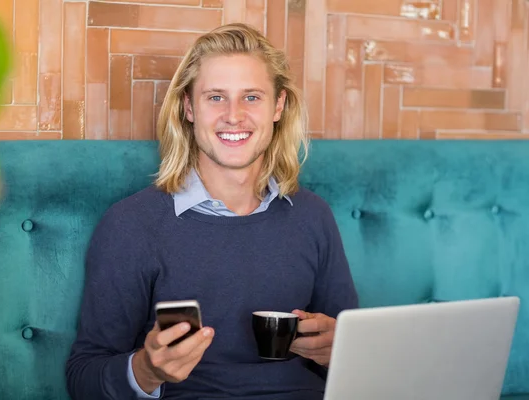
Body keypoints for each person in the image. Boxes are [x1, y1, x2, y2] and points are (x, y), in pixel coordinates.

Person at [65, 22, 358, 400]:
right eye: (215, 97)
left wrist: (339, 351)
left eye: (251, 97)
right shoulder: (131, 225)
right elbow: (83, 377)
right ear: (188, 107)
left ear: (278, 106)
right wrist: (146, 370)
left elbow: (352, 355)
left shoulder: (312, 216)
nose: (233, 115)